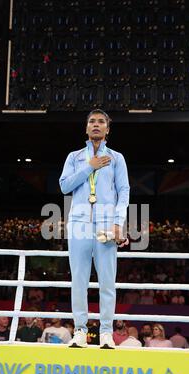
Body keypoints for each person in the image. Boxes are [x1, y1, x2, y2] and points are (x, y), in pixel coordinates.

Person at [59, 109, 130, 349]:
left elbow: (124, 192)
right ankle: (80, 330)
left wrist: (118, 223)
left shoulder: (117, 158)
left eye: (101, 122)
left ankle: (106, 332)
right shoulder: (74, 157)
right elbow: (64, 186)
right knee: (78, 280)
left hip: (106, 224)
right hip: (79, 223)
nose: (96, 125)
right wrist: (89, 166)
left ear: (108, 129)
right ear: (86, 128)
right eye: (92, 121)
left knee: (107, 281)